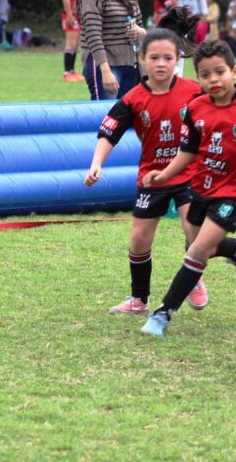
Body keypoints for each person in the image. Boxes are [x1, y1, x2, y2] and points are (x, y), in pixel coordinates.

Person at [141, 39, 236, 337]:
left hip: (235, 194)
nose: (214, 80)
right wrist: (164, 174)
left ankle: (163, 313)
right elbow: (189, 151)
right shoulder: (195, 108)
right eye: (206, 75)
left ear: (234, 71)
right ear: (198, 79)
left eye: (219, 72)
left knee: (195, 251)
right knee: (197, 245)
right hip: (201, 189)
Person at [84, 27, 204, 315]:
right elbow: (108, 132)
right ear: (141, 59)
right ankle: (139, 300)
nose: (161, 63)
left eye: (167, 57)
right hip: (152, 177)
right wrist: (96, 163)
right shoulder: (133, 98)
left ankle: (195, 277)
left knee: (193, 228)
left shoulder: (195, 91)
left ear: (178, 60)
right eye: (154, 57)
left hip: (190, 173)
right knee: (139, 239)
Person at [79, 0, 145, 100]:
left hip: (129, 64)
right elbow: (93, 35)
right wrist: (105, 70)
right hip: (103, 64)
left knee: (126, 116)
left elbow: (141, 27)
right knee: (105, 116)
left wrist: (140, 32)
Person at [62, 0, 88, 82]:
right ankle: (67, 73)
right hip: (71, 16)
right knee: (70, 44)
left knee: (76, 45)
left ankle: (72, 71)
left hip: (78, 17)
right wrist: (69, 15)